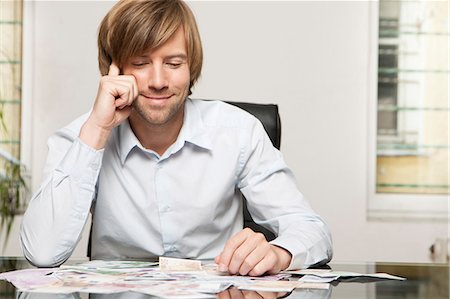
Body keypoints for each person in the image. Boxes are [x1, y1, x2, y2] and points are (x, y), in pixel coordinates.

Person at [20, 0, 332, 276]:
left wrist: (278, 253)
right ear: (114, 70)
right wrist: (98, 131)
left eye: (173, 63)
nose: (158, 81)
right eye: (141, 63)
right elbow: (42, 253)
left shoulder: (238, 132)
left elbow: (312, 230)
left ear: (191, 66)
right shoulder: (81, 137)